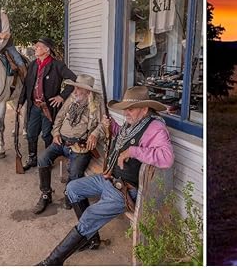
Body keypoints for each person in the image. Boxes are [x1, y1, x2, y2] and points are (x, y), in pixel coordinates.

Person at [36, 86, 174, 266]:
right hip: (109, 178)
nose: (126, 113)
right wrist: (112, 126)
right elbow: (121, 138)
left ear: (145, 109)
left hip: (124, 190)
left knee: (89, 216)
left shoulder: (155, 128)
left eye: (130, 108)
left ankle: (52, 262)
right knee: (72, 188)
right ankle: (91, 238)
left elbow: (167, 158)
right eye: (125, 109)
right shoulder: (133, 123)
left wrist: (133, 151)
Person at [33, 74, 105, 216]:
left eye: (79, 89)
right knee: (42, 159)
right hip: (61, 141)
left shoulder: (97, 104)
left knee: (75, 171)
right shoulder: (72, 99)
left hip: (80, 146)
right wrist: (56, 134)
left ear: (88, 92)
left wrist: (95, 133)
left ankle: (69, 193)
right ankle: (46, 194)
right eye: (75, 88)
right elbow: (59, 117)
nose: (75, 91)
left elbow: (104, 123)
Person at [17, 38, 77, 171]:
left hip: (48, 107)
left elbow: (74, 79)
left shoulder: (57, 65)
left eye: (38, 46)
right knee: (31, 133)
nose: (35, 48)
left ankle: (47, 160)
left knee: (47, 135)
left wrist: (62, 96)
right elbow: (27, 86)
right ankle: (32, 158)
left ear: (47, 50)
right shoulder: (33, 65)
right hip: (34, 106)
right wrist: (21, 102)